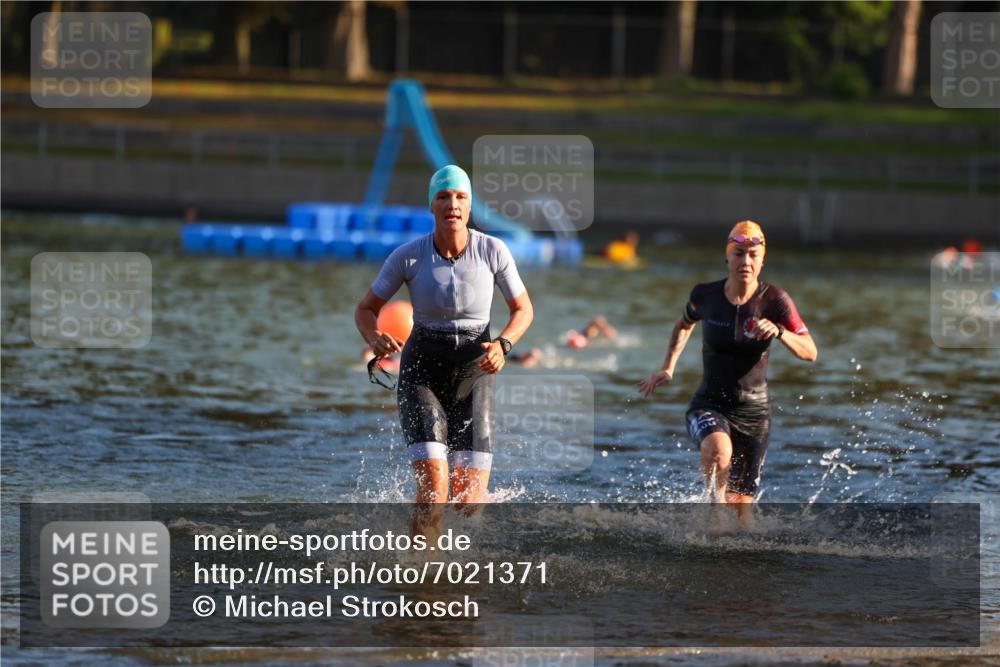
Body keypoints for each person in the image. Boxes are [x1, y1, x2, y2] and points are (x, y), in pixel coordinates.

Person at [354, 165, 533, 534]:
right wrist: (374, 337)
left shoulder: (492, 251)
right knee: (434, 487)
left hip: (475, 374)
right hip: (423, 372)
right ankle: (423, 573)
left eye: (460, 197)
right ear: (431, 207)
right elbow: (365, 309)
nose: (452, 203)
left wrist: (503, 343)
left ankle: (457, 573)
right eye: (443, 197)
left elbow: (523, 309)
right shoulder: (408, 256)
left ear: (469, 207)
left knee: (469, 500)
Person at [636, 221, 817, 520]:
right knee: (718, 452)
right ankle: (713, 518)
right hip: (709, 404)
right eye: (738, 253)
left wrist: (781, 333)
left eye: (752, 254)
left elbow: (811, 352)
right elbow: (683, 325)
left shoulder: (776, 301)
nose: (745, 261)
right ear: (727, 257)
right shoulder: (705, 295)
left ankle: (728, 540)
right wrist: (668, 368)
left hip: (754, 414)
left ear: (762, 259)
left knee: (742, 514)